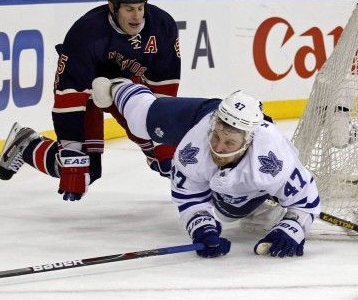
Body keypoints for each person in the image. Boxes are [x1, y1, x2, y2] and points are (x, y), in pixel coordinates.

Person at [0, 0, 181, 202]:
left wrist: (163, 137)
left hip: (128, 87)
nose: (137, 16)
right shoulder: (86, 34)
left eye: (141, 8)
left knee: (164, 159)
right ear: (112, 6)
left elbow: (164, 86)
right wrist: (72, 154)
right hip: (86, 90)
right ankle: (27, 145)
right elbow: (68, 98)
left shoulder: (162, 26)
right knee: (84, 170)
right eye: (129, 9)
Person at [90, 78, 321, 258]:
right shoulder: (195, 146)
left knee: (229, 212)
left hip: (252, 179)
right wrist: (202, 227)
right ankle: (120, 86)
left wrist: (293, 227)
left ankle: (260, 204)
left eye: (229, 143)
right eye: (217, 137)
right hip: (199, 114)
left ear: (248, 142)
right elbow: (188, 195)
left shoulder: (270, 159)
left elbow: (305, 201)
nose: (218, 148)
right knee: (140, 118)